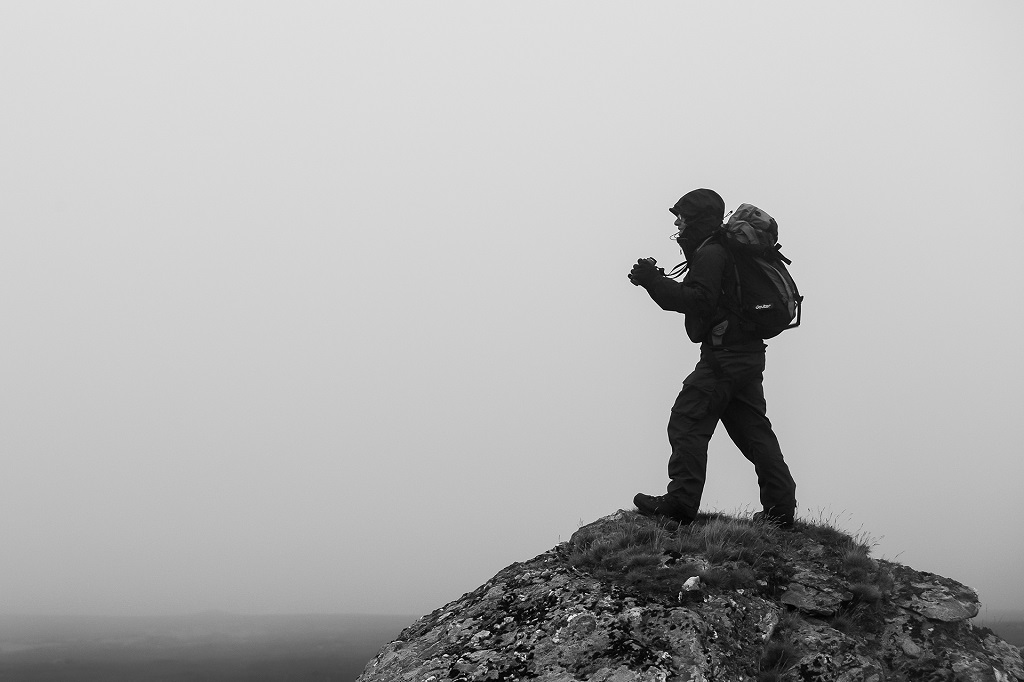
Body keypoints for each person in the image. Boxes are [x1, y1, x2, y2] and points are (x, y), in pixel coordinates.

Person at [627, 188, 797, 528]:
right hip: (747, 356)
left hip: (724, 357)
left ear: (699, 219)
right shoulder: (723, 251)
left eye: (683, 216)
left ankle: (681, 502)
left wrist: (652, 282)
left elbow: (698, 300)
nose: (677, 222)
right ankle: (780, 511)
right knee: (755, 433)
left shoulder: (713, 253)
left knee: (687, 420)